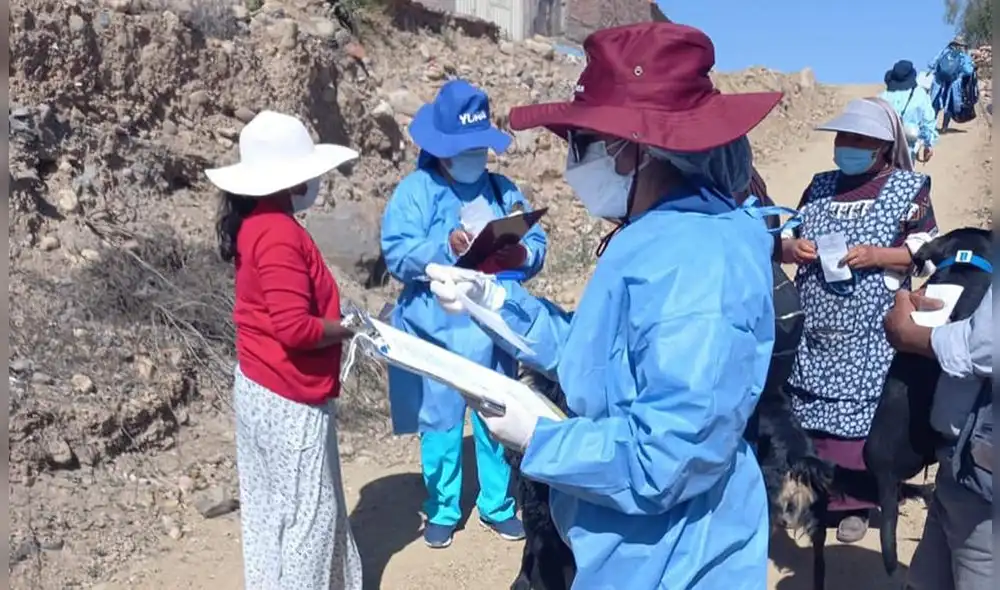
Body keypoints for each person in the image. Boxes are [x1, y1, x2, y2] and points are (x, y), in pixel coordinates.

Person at [426, 23, 784, 589]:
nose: (573, 160)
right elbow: (604, 354)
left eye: (580, 141)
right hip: (624, 546)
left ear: (629, 149)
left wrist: (540, 438)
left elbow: (667, 455)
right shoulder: (658, 232)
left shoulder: (698, 263)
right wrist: (498, 305)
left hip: (672, 563)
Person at [380, 79, 548, 549]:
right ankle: (443, 506)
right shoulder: (416, 192)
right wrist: (443, 248)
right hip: (435, 331)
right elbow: (396, 251)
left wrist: (519, 256)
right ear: (441, 150)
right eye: (465, 148)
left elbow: (535, 244)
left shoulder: (502, 189)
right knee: (440, 422)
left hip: (492, 329)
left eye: (480, 147)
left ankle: (497, 505)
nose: (475, 157)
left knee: (496, 416)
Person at [206, 111, 363, 589]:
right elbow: (296, 329)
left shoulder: (257, 223)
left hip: (260, 384)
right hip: (289, 397)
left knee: (274, 512)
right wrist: (346, 330)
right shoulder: (278, 233)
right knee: (307, 524)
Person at [779, 97, 939, 543]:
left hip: (872, 328)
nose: (847, 145)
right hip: (818, 324)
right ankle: (818, 494)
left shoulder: (910, 189)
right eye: (843, 138)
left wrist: (878, 256)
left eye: (859, 140)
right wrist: (793, 249)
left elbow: (925, 248)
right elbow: (788, 234)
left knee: (864, 419)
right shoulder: (820, 185)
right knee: (812, 414)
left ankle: (861, 502)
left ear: (884, 147)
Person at [884, 286, 992, 590]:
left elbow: (982, 346)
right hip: (961, 465)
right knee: (925, 579)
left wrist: (912, 334)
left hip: (984, 487)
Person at [880, 60, 937, 162]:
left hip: (883, 150)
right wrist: (928, 145)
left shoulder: (882, 97)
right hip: (908, 150)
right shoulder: (921, 95)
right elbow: (928, 122)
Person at [928, 36, 976, 131]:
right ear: (961, 45)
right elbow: (968, 71)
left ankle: (930, 125)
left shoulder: (943, 52)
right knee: (949, 104)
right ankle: (944, 127)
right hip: (953, 83)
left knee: (935, 103)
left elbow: (931, 64)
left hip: (939, 80)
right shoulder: (963, 56)